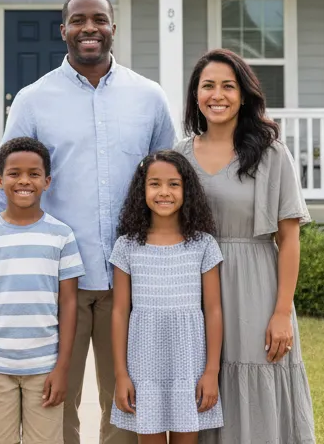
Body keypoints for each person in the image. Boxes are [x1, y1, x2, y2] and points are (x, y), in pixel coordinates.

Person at [0, 0, 176, 444]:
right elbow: (4, 171)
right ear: (64, 31)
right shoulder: (35, 100)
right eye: (78, 21)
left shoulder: (149, 97)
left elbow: (172, 179)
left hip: (130, 279)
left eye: (99, 19)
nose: (89, 28)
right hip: (62, 286)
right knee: (57, 405)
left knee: (126, 404)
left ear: (113, 28)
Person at [175, 48, 316, 444]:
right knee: (205, 379)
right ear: (195, 95)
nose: (217, 95)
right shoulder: (179, 155)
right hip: (194, 287)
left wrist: (282, 312)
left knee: (255, 376)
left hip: (255, 284)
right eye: (208, 86)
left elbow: (288, 237)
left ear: (243, 95)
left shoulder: (271, 154)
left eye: (227, 86)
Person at [0, 136, 84, 444]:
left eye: (33, 174)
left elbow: (69, 304)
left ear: (47, 181)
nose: (24, 181)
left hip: (45, 369)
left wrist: (62, 368)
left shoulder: (61, 236)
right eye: (15, 173)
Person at [110, 150, 224, 444]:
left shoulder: (203, 244)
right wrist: (121, 375)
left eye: (174, 184)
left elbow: (213, 310)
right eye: (155, 184)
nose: (164, 192)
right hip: (143, 367)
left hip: (189, 365)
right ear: (141, 190)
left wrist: (211, 372)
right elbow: (120, 312)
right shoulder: (126, 246)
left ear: (187, 190)